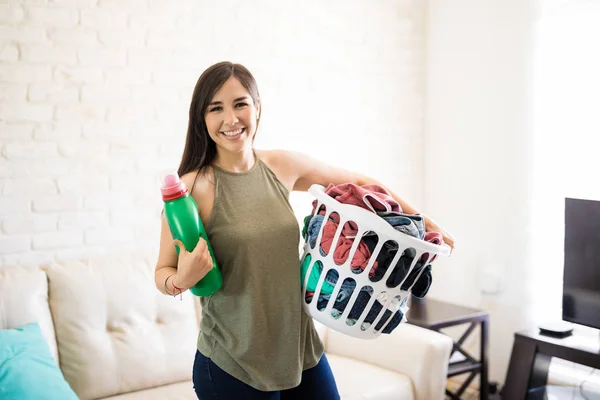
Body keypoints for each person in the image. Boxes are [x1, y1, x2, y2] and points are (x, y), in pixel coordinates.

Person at [154, 61, 455, 400]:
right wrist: (182, 279)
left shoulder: (281, 166)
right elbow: (162, 272)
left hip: (300, 349)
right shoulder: (191, 190)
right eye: (216, 108)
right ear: (202, 118)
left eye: (240, 104)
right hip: (233, 361)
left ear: (257, 107)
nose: (231, 119)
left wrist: (424, 222)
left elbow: (359, 182)